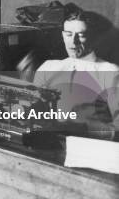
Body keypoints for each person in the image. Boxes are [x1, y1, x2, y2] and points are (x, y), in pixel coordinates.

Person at [34, 9, 119, 140]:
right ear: (62, 35)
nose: (73, 42)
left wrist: (85, 128)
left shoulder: (110, 72)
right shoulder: (48, 67)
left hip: (88, 148)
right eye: (68, 34)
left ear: (93, 36)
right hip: (48, 143)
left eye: (80, 35)